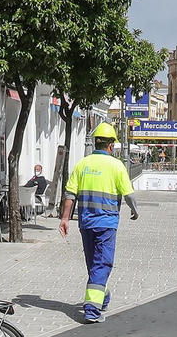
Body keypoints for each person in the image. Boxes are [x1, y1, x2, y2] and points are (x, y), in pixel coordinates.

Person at [60, 123, 140, 324]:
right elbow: (129, 194)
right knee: (102, 262)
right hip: (106, 223)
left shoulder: (82, 164)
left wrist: (64, 218)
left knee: (93, 262)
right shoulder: (116, 166)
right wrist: (134, 210)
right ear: (111, 146)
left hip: (85, 222)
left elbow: (70, 193)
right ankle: (91, 310)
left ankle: (102, 295)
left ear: (96, 143)